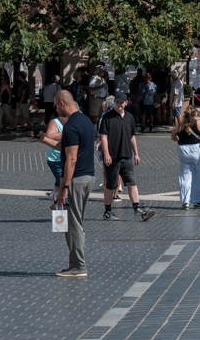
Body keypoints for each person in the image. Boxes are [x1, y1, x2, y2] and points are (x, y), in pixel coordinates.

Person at [50, 90, 97, 278]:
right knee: (73, 222)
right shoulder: (84, 121)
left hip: (75, 180)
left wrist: (64, 188)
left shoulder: (69, 126)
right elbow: (67, 148)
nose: (55, 109)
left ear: (62, 103)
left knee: (73, 223)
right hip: (88, 177)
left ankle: (78, 266)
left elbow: (71, 158)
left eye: (55, 105)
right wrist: (43, 140)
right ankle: (74, 264)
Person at [99, 97, 155, 222]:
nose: (119, 104)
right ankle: (107, 211)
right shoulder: (108, 117)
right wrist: (106, 154)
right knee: (110, 185)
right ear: (114, 103)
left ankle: (138, 209)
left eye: (122, 102)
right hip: (112, 157)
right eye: (117, 102)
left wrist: (136, 154)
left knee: (132, 182)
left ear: (126, 103)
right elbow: (103, 136)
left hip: (127, 156)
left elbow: (132, 137)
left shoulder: (130, 117)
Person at [172, 102, 200, 210]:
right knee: (198, 176)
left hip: (183, 150)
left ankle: (185, 202)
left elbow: (173, 137)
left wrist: (179, 139)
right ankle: (197, 200)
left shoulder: (180, 124)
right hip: (196, 150)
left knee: (185, 176)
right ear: (195, 114)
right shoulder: (199, 123)